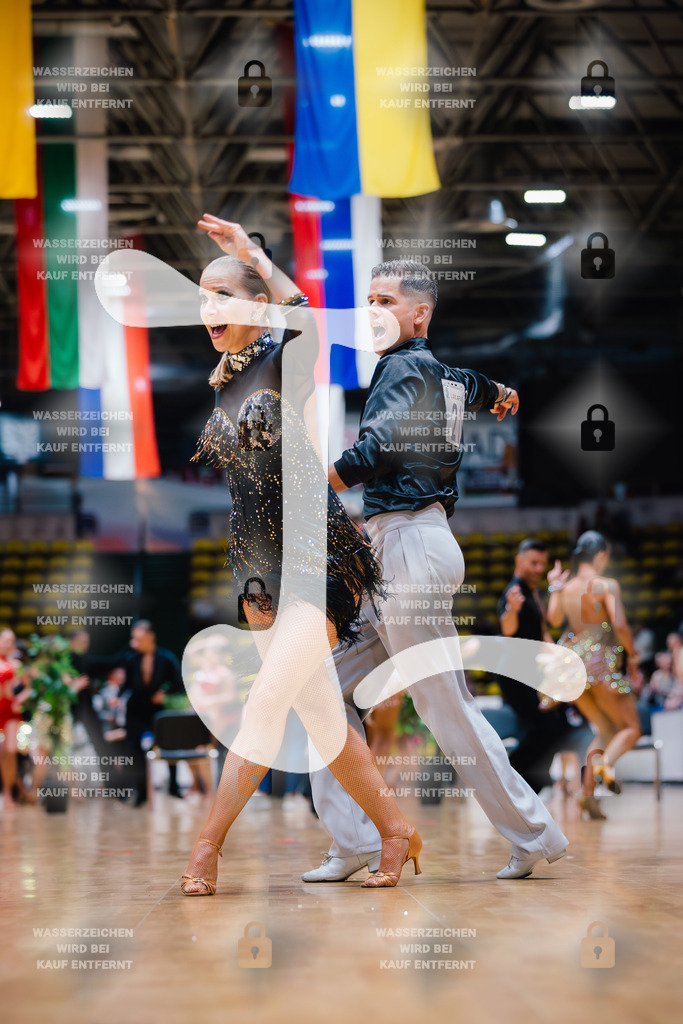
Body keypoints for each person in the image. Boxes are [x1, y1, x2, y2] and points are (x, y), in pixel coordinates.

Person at [306, 259, 568, 882]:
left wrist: (310, 489)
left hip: (410, 547)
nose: (373, 310)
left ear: (419, 313)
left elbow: (376, 450)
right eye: (369, 300)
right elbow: (470, 382)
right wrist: (501, 392)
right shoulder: (434, 370)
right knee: (319, 691)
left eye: (387, 300)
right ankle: (354, 840)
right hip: (400, 551)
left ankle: (533, 834)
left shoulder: (401, 367)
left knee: (446, 707)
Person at [180, 217, 421, 895]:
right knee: (319, 717)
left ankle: (206, 847)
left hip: (315, 555)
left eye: (222, 295)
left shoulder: (280, 360)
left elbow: (303, 316)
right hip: (256, 569)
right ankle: (396, 830)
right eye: (201, 297)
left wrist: (252, 255)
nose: (208, 308)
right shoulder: (225, 379)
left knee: (264, 704)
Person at [547, 531, 642, 819]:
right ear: (601, 555)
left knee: (605, 730)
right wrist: (633, 657)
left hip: (573, 671)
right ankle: (602, 770)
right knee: (631, 729)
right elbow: (620, 625)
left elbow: (553, 620)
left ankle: (587, 793)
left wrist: (554, 586)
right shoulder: (606, 584)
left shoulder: (566, 588)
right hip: (600, 667)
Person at [495, 539, 588, 794]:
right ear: (519, 561)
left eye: (542, 564)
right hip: (515, 675)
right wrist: (512, 610)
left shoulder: (533, 591)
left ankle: (528, 784)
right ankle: (511, 778)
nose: (538, 568)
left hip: (532, 673)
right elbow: (507, 628)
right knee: (546, 729)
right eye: (533, 563)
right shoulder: (514, 592)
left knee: (553, 728)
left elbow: (542, 630)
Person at [118, 620, 183, 806]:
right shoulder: (132, 658)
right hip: (135, 708)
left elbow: (178, 682)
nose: (135, 642)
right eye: (134, 639)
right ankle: (141, 792)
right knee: (133, 749)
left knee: (168, 745)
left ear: (150, 636)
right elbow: (127, 684)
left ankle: (174, 787)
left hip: (156, 709)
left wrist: (164, 693)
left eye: (139, 638)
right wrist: (117, 696)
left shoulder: (166, 657)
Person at [0, 629, 29, 811]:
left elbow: (29, 688)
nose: (7, 643)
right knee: (2, 752)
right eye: (4, 640)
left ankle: (8, 792)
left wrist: (19, 700)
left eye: (11, 640)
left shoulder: (16, 664)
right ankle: (7, 792)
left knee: (10, 751)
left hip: (10, 711)